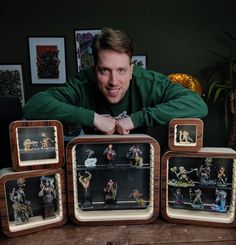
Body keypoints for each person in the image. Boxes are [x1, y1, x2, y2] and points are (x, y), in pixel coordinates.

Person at [23, 27, 208, 138]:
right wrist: (93, 118)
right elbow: (32, 107)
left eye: (121, 70)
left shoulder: (148, 83)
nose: (113, 82)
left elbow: (197, 105)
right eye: (105, 71)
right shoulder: (82, 83)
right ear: (95, 70)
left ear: (131, 70)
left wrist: (137, 119)